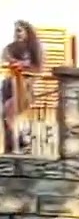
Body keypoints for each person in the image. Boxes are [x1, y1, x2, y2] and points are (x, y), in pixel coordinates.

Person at [2, 20, 44, 154]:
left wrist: (24, 69)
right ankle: (15, 143)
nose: (17, 33)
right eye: (16, 31)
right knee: (6, 113)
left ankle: (22, 141)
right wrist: (12, 62)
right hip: (9, 85)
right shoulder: (10, 48)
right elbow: (4, 61)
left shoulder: (35, 50)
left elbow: (38, 70)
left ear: (27, 32)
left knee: (11, 110)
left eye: (20, 30)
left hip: (25, 87)